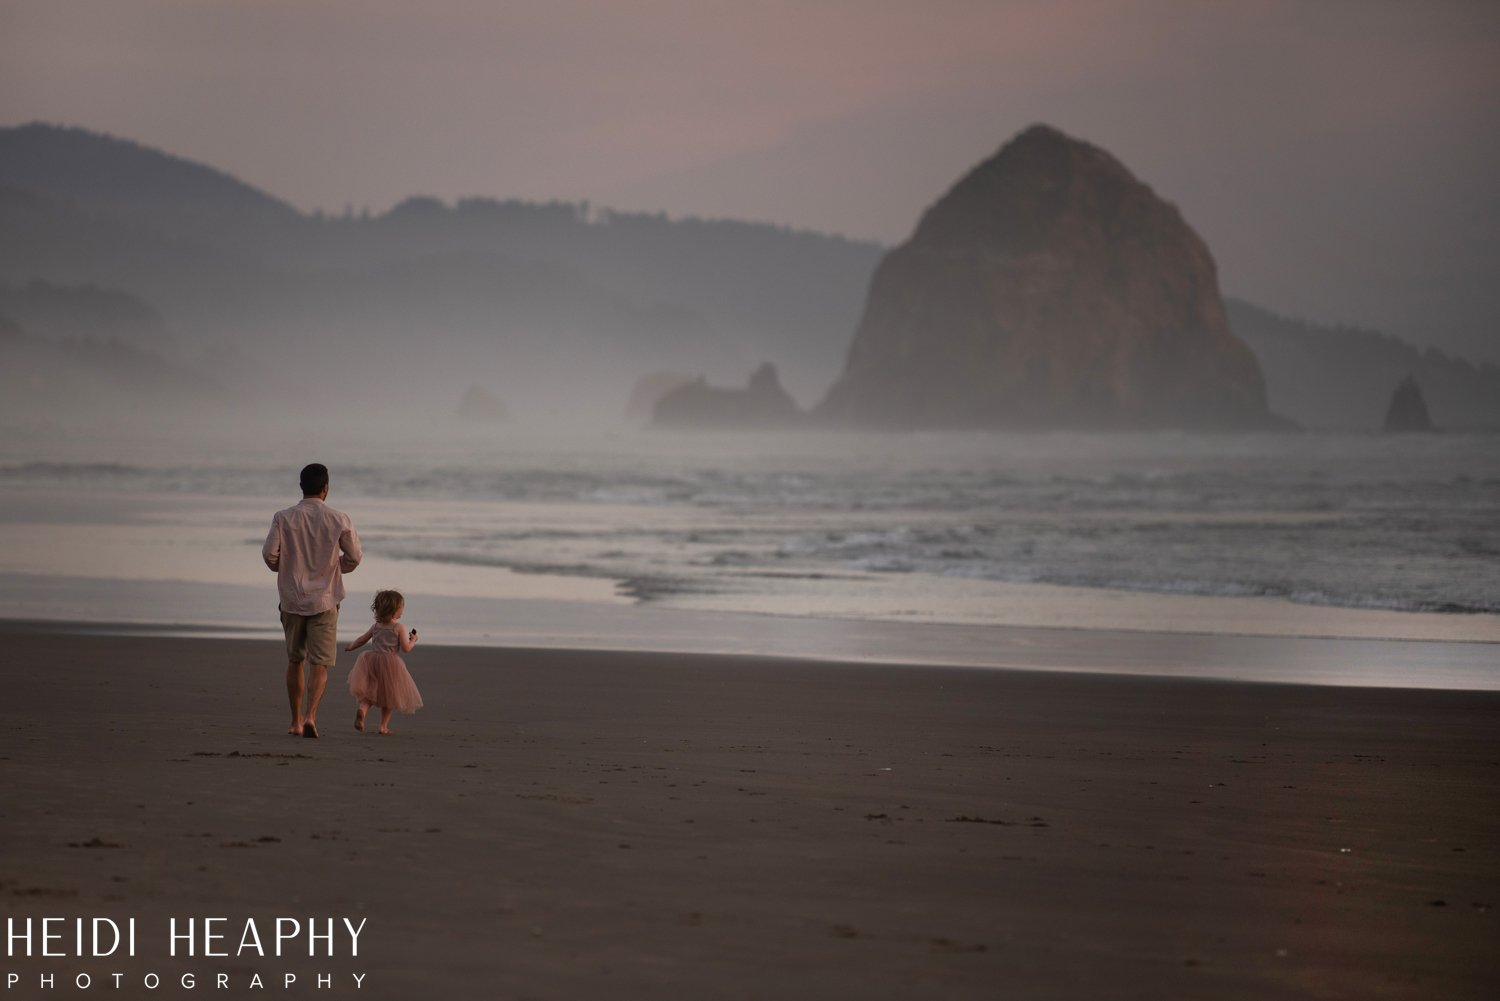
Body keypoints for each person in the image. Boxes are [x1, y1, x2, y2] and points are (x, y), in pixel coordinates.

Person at [263, 463, 362, 738]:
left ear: (301, 487)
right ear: (326, 488)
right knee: (320, 663)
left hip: (292, 598)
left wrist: (286, 569)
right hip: (325, 600)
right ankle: (311, 717)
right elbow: (354, 557)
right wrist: (333, 569)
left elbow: (270, 555)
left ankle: (295, 721)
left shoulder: (283, 517)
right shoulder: (339, 518)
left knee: (295, 660)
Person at [344, 589, 424, 734]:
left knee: (369, 692)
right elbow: (406, 648)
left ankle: (362, 711)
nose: (402, 610)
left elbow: (362, 639)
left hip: (372, 660)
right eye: (401, 607)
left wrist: (351, 646)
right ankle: (383, 727)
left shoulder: (376, 626)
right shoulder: (399, 627)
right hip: (391, 664)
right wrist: (413, 640)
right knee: (390, 695)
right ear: (395, 610)